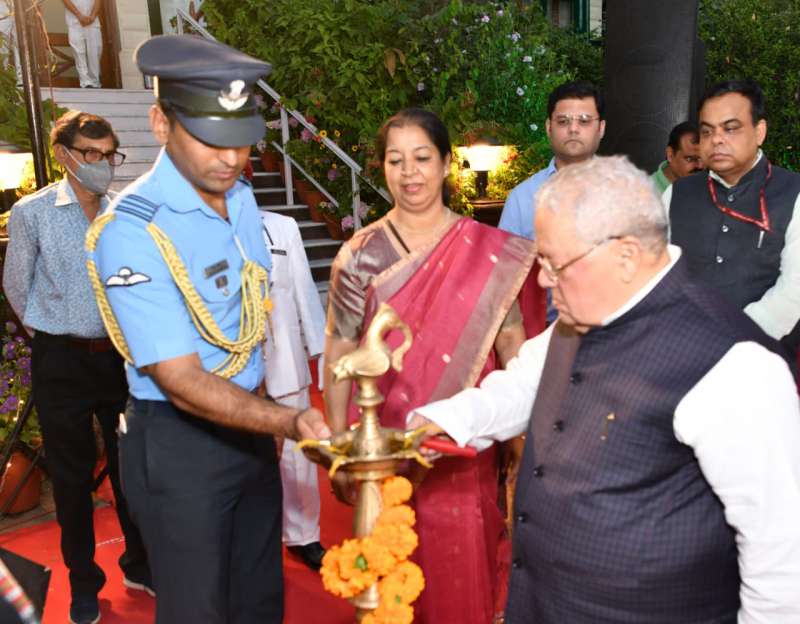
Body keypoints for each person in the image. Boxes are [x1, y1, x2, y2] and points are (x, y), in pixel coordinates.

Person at [410, 155, 800, 623]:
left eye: (556, 264)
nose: (543, 279)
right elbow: (519, 387)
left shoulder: (735, 364)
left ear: (626, 256)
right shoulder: (583, 312)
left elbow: (779, 558)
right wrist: (440, 422)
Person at [85, 35, 329, 624]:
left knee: (259, 601)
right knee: (199, 611)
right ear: (160, 124)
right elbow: (181, 380)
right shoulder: (133, 230)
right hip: (181, 444)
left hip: (249, 428)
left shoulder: (240, 199)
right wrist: (290, 421)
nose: (231, 158)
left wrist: (264, 419)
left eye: (241, 139)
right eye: (210, 139)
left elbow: (247, 323)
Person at [324, 108, 544, 624]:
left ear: (446, 163)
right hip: (386, 444)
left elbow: (510, 339)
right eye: (396, 160)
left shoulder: (487, 251)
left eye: (422, 158)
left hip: (464, 445)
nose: (410, 173)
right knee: (391, 574)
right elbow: (340, 348)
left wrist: (519, 434)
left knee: (463, 569)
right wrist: (338, 442)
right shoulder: (359, 255)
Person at [3, 110, 150, 624]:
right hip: (61, 361)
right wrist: (54, 330)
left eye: (109, 154)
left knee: (132, 468)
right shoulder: (32, 213)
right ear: (63, 155)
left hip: (119, 358)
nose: (102, 164)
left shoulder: (125, 211)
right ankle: (85, 582)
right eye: (91, 154)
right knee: (70, 478)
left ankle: (139, 564)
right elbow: (16, 285)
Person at [667, 79, 800, 358]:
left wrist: (733, 338)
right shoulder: (677, 193)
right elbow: (651, 272)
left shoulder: (793, 193)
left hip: (763, 361)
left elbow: (793, 293)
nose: (716, 139)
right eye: (707, 131)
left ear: (759, 131)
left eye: (730, 128)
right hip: (680, 355)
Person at [260, 210, 327, 571]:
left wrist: (321, 355)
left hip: (285, 362)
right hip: (230, 375)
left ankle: (304, 536)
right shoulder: (198, 224)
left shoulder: (282, 226)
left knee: (297, 459)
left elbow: (304, 290)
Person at [498, 80, 605, 241]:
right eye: (563, 121)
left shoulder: (627, 193)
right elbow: (505, 256)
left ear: (601, 128)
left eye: (584, 121)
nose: (573, 129)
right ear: (549, 128)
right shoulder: (522, 198)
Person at [650, 120, 703, 194]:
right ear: (670, 155)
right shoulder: (643, 193)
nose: (700, 166)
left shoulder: (711, 186)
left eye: (704, 158)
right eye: (690, 159)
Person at [62, 0, 102, 88]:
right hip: (74, 21)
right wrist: (79, 16)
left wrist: (93, 16)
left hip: (93, 21)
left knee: (95, 50)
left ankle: (95, 82)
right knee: (78, 52)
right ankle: (85, 82)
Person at [0, 0, 22, 86]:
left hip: (22, 6)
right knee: (2, 45)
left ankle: (21, 82)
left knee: (21, 43)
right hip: (2, 6)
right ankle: (2, 82)